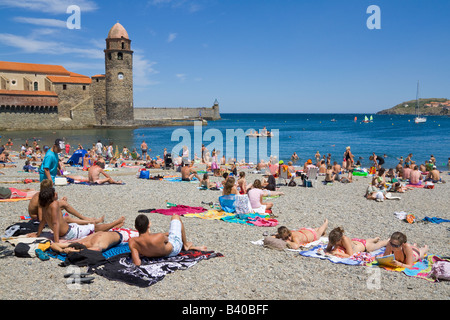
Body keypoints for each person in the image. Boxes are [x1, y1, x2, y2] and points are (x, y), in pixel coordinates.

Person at [29, 187, 125, 243]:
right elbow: (55, 224)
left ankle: (113, 227)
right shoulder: (54, 204)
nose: (56, 193)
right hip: (70, 234)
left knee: (79, 224)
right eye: (55, 193)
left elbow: (43, 221)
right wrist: (57, 241)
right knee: (95, 228)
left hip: (68, 230)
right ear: (51, 197)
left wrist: (38, 234)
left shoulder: (44, 206)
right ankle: (114, 223)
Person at [129, 214, 207, 266]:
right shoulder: (159, 236)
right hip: (173, 250)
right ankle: (186, 246)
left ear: (135, 227)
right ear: (149, 224)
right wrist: (163, 235)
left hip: (153, 254)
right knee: (175, 217)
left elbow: (137, 262)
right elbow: (168, 239)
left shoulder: (132, 242)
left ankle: (188, 245)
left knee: (166, 234)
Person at [28, 179, 104, 223]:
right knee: (66, 217)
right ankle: (87, 220)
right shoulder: (40, 198)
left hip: (40, 214)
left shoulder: (41, 194)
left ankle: (85, 219)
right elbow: (41, 218)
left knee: (63, 204)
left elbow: (47, 207)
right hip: (37, 218)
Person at [50, 230, 125, 254]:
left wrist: (61, 250)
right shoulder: (96, 245)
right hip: (122, 236)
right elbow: (97, 249)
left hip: (109, 231)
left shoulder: (79, 242)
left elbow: (53, 244)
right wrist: (75, 251)